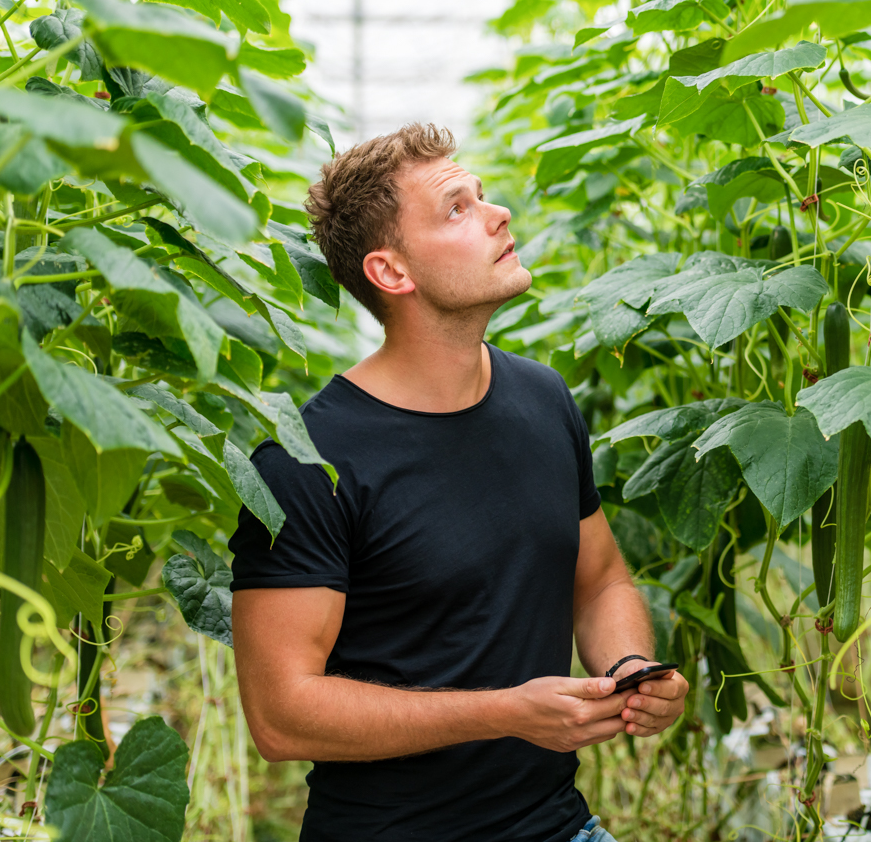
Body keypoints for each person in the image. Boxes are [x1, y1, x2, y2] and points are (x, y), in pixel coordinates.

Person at [229, 122, 689, 842]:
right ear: (391, 272)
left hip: (558, 827)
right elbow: (281, 714)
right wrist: (506, 710)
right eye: (456, 208)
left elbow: (599, 579)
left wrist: (627, 668)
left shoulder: (544, 399)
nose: (497, 213)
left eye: (481, 194)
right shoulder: (306, 457)